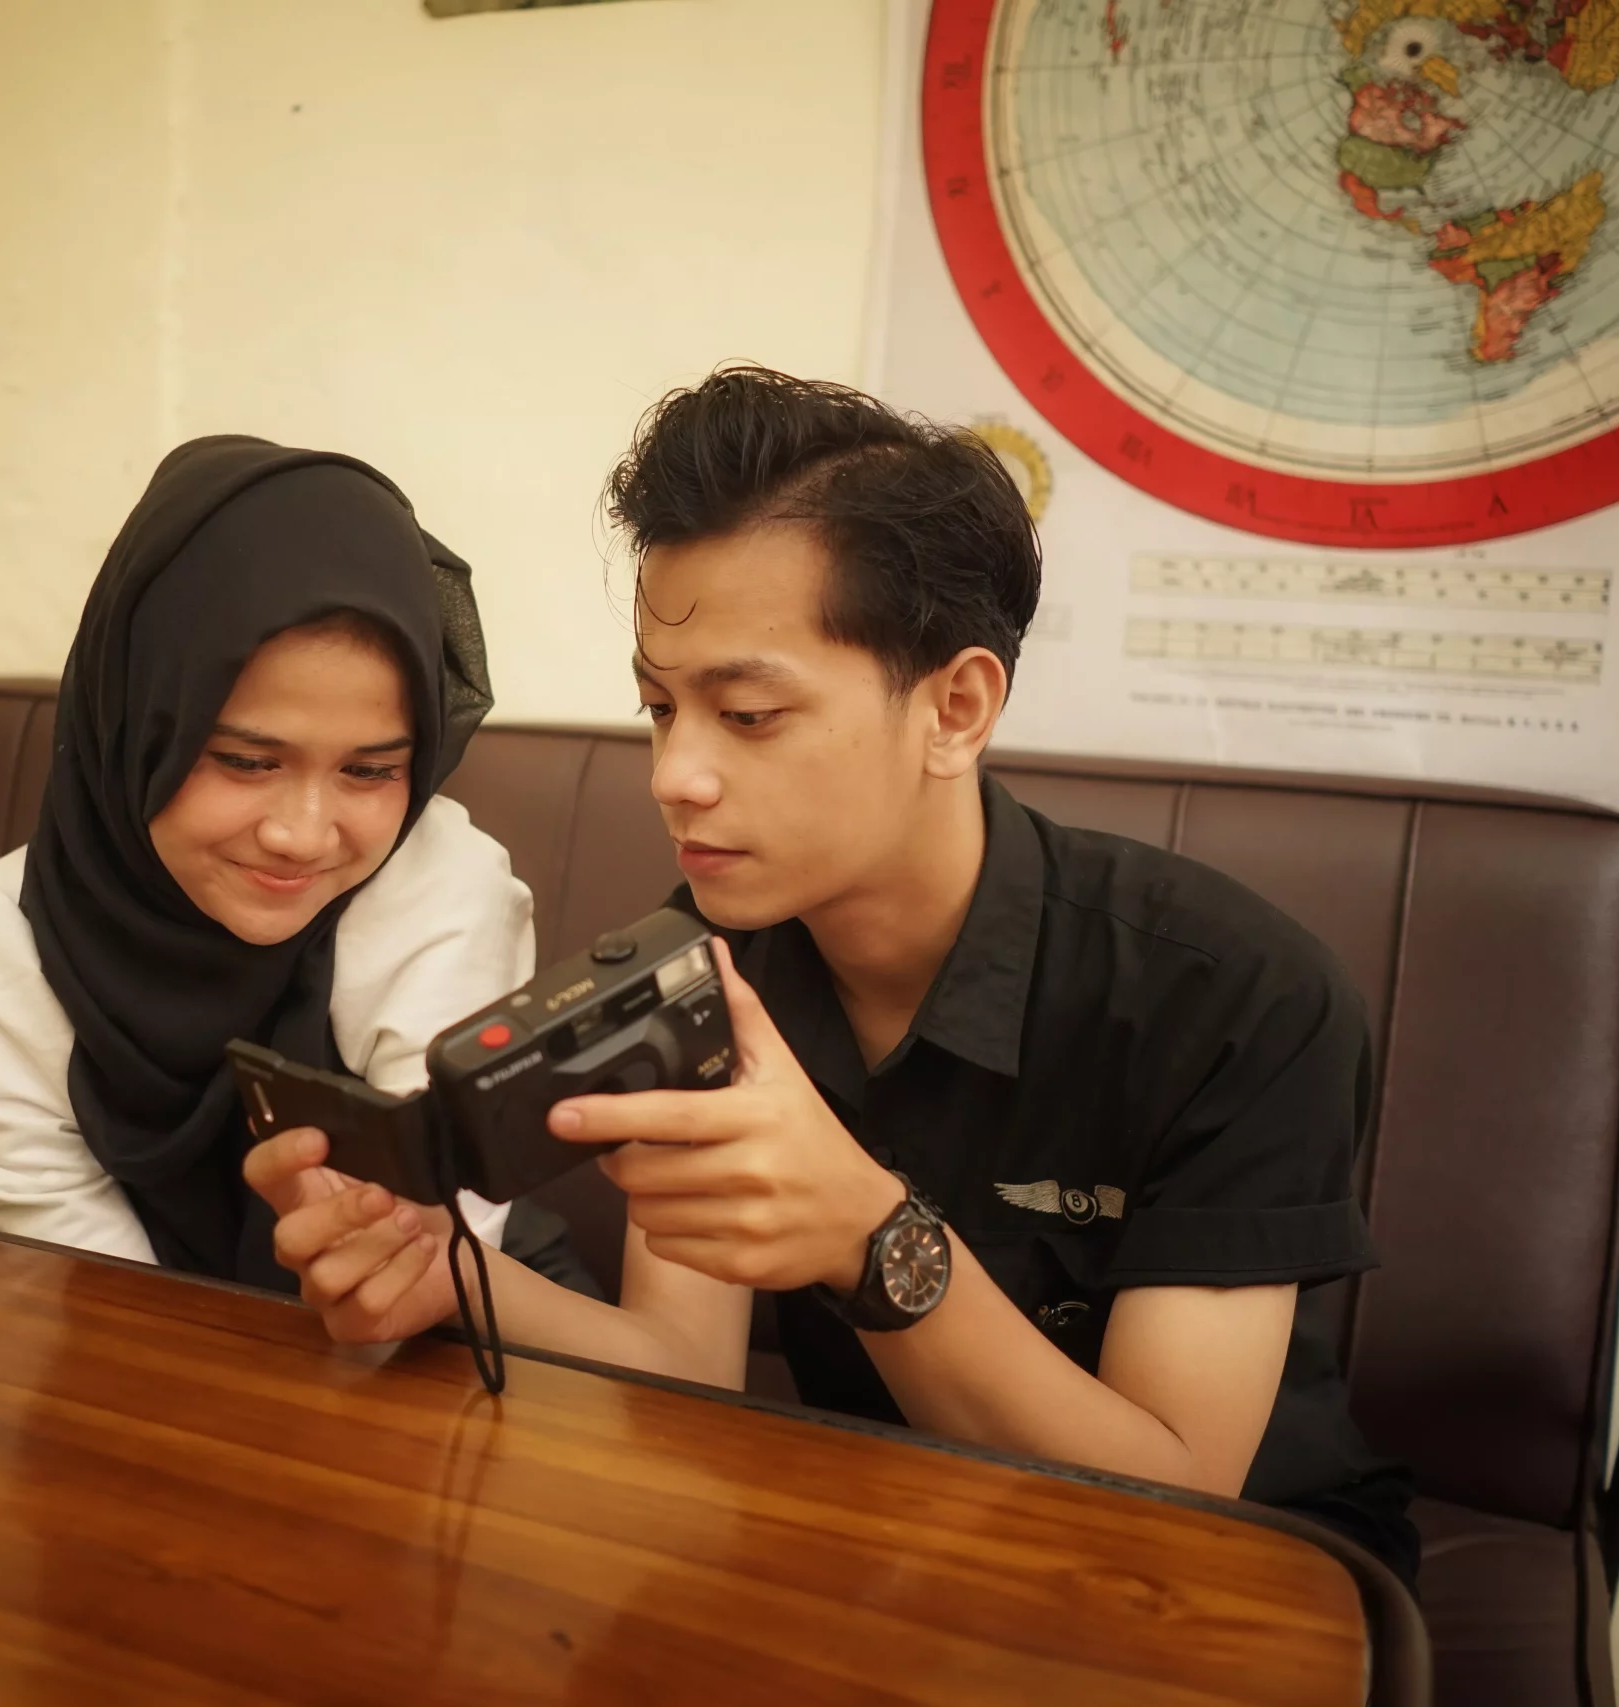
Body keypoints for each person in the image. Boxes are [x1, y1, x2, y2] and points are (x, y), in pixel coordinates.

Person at [246, 370, 1418, 1583]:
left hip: (1250, 1585)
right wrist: (450, 1274)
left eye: (748, 714)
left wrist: (872, 1236)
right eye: (658, 707)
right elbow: (686, 1367)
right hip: (903, 1541)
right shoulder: (705, 968)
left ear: (955, 708)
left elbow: (1171, 1508)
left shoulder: (1236, 999)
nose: (675, 775)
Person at [0, 434, 585, 1291]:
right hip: (118, 1337)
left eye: (370, 770)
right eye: (246, 760)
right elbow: (95, 1287)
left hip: (459, 1322)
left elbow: (413, 1258)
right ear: (136, 725)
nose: (303, 834)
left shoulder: (440, 889)